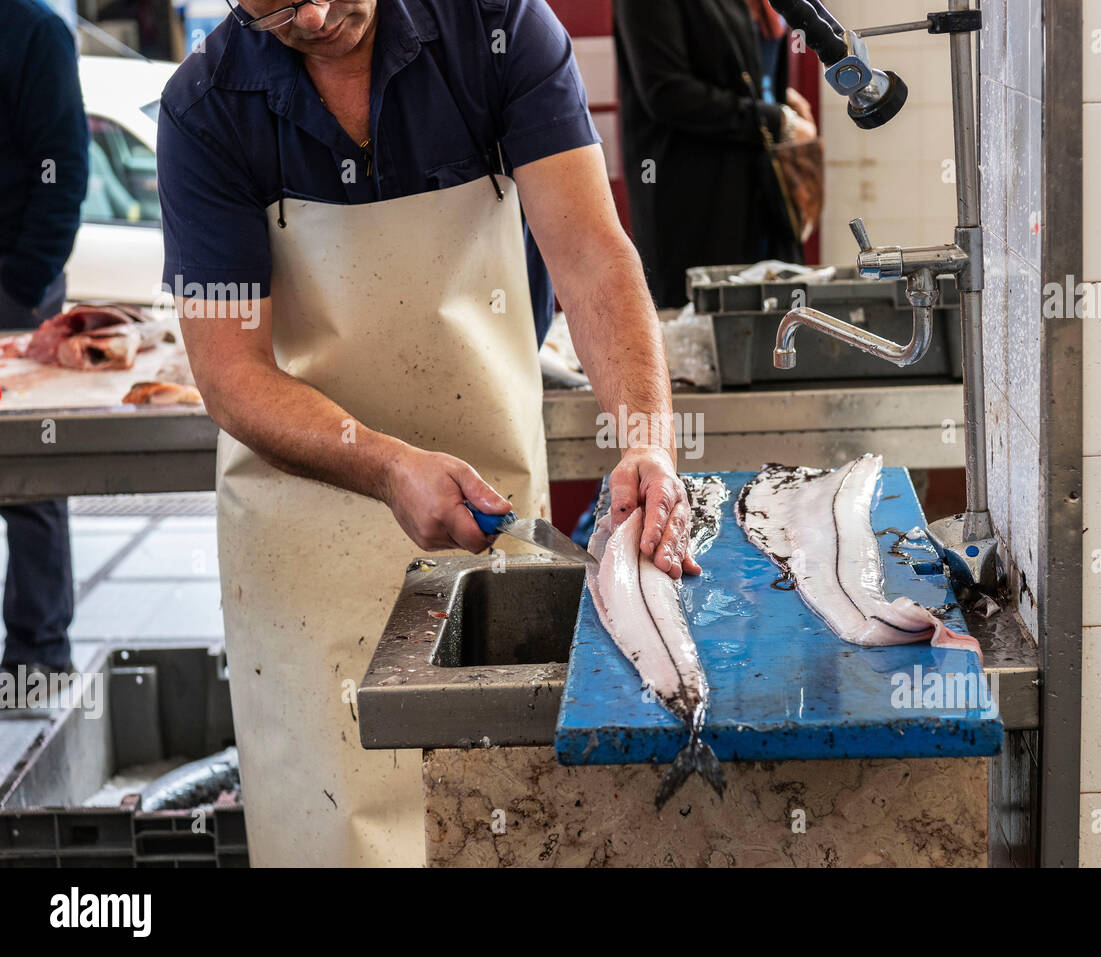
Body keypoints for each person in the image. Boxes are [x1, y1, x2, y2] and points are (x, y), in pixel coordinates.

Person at [157, 0, 700, 866]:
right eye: (278, 8)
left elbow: (592, 251)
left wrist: (645, 440)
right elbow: (230, 373)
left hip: (483, 515)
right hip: (303, 540)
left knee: (497, 824)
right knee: (333, 830)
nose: (320, 13)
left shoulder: (500, 30)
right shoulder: (204, 106)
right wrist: (383, 465)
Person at [613, 0, 818, 308]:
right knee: (705, 322)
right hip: (696, 193)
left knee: (777, 318)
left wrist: (779, 98)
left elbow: (733, 65)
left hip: (763, 188)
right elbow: (667, 91)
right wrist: (777, 120)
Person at [0, 0, 89, 693]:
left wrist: (25, 285)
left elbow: (63, 168)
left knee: (27, 477)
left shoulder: (34, 32)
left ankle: (37, 661)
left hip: (13, 290)